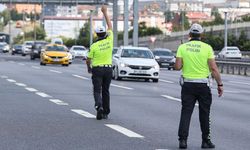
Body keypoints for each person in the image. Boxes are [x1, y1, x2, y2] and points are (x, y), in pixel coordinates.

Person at [175, 23, 223, 149]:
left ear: (189, 34)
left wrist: (183, 60)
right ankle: (205, 141)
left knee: (186, 112)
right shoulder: (207, 48)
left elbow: (177, 67)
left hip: (188, 85)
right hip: (203, 85)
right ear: (201, 35)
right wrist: (220, 84)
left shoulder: (182, 47)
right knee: (205, 113)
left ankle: (183, 141)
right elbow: (213, 68)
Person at [86, 5, 113, 120]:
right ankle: (106, 112)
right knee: (106, 90)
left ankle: (99, 106)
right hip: (108, 69)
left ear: (96, 34)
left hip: (97, 69)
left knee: (97, 90)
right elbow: (110, 25)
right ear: (105, 33)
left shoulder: (94, 46)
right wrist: (105, 12)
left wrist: (89, 68)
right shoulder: (109, 40)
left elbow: (88, 59)